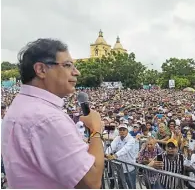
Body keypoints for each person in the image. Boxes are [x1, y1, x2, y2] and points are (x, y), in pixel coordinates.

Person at [1, 39, 104, 189]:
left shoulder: (22, 105)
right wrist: (95, 130)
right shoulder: (47, 119)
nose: (76, 72)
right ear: (41, 70)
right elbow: (91, 182)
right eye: (67, 65)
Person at [105, 124, 136, 189]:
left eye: (123, 130)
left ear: (127, 131)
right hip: (120, 166)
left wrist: (115, 155)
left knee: (131, 186)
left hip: (129, 167)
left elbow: (125, 149)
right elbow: (112, 147)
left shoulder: (131, 139)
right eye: (120, 130)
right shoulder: (117, 138)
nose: (122, 131)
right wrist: (106, 154)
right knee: (121, 185)